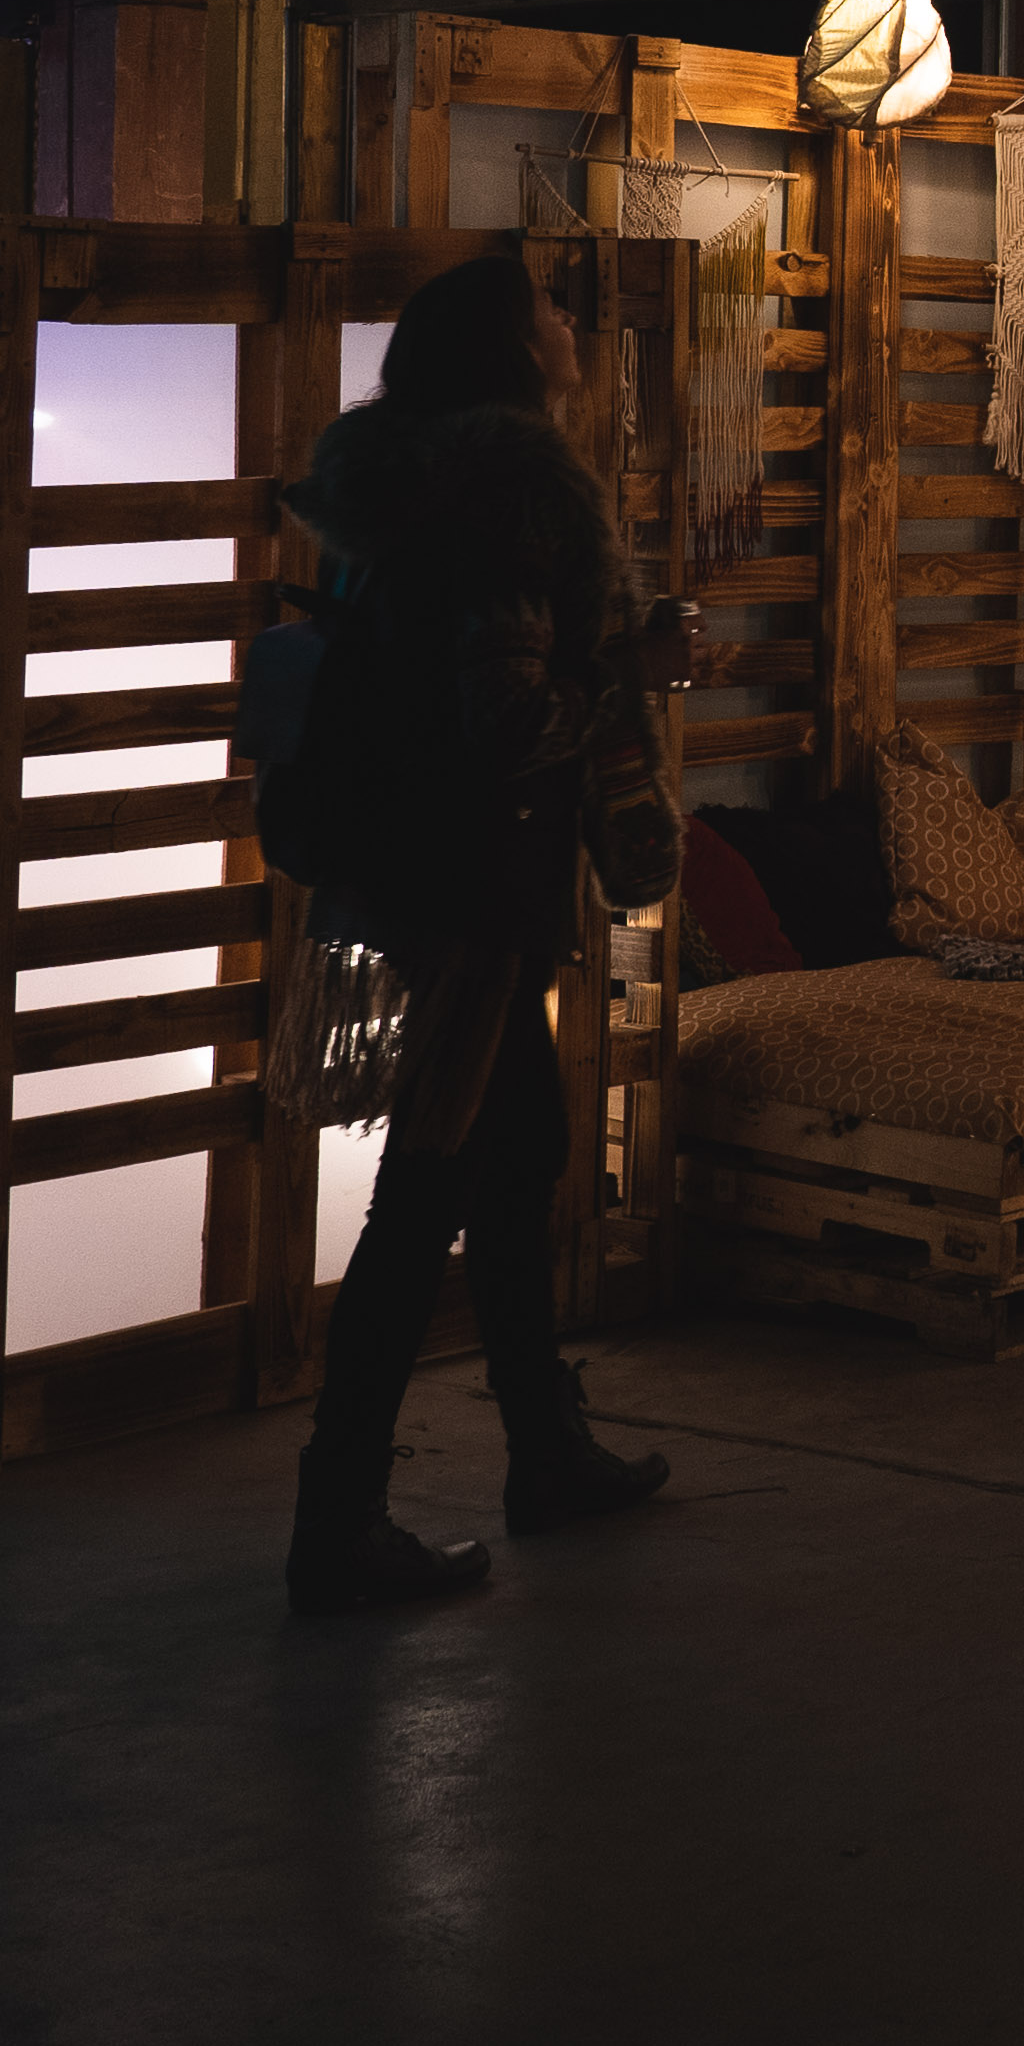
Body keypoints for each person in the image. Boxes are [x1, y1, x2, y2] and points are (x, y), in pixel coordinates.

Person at [274, 254, 690, 1617]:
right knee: (427, 1197)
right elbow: (507, 716)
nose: (572, 324)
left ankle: (543, 1452)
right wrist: (629, 667)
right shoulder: (511, 494)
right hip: (471, 891)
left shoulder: (406, 481)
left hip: (415, 874)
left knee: (517, 1160)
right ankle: (339, 1519)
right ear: (514, 349)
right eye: (551, 310)